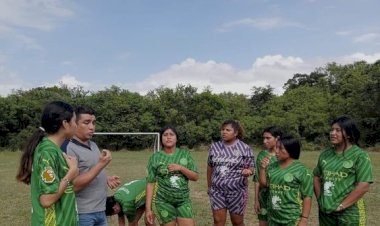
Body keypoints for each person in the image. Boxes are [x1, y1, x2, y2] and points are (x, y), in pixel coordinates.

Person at [16, 101, 79, 226]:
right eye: (75, 121)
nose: (76, 126)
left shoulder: (54, 150)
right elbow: (46, 200)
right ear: (65, 124)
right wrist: (70, 175)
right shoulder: (47, 152)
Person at [313, 116, 374, 226]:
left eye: (338, 130)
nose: (332, 133)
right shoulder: (325, 154)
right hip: (326, 212)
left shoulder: (360, 156)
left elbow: (363, 185)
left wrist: (342, 206)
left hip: (350, 212)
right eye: (331, 130)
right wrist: (320, 199)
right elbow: (316, 177)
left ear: (349, 134)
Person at [66, 106, 121, 226]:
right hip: (83, 213)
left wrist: (105, 178)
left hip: (101, 210)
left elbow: (90, 170)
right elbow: (73, 185)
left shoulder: (94, 145)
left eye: (93, 122)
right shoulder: (69, 149)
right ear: (75, 124)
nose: (92, 127)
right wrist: (101, 165)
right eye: (86, 122)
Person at [145, 125, 199, 226]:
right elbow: (150, 183)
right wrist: (148, 209)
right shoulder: (155, 157)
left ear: (176, 138)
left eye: (171, 134)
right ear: (161, 139)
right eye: (165, 135)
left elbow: (195, 177)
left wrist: (181, 168)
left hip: (183, 201)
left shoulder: (185, 154)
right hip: (163, 202)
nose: (168, 137)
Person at [207, 119, 255, 226]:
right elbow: (210, 167)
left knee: (237, 222)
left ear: (236, 133)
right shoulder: (215, 147)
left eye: (228, 130)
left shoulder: (245, 148)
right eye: (222, 129)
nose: (224, 132)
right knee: (218, 221)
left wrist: (249, 171)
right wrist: (209, 187)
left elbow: (251, 167)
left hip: (237, 192)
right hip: (217, 191)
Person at [259, 135, 313, 226]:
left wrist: (304, 219)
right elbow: (265, 185)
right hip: (273, 217)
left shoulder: (302, 171)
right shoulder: (271, 167)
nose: (276, 151)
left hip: (292, 218)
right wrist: (262, 169)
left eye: (280, 148)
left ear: (291, 149)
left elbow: (307, 196)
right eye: (276, 147)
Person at [253, 126, 282, 226]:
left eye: (268, 138)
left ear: (277, 138)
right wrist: (256, 200)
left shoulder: (284, 154)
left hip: (280, 197)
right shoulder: (262, 155)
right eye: (263, 138)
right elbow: (257, 180)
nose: (265, 141)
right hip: (264, 198)